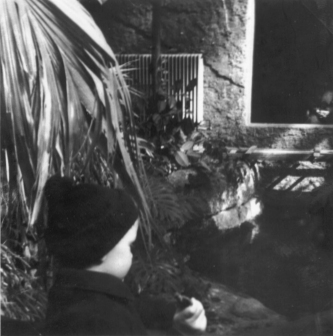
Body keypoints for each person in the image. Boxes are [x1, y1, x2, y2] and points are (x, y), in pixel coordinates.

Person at [43, 175, 207, 335]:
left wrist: (172, 315)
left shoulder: (77, 295)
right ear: (101, 249)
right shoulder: (103, 322)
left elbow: (132, 306)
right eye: (130, 245)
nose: (133, 253)